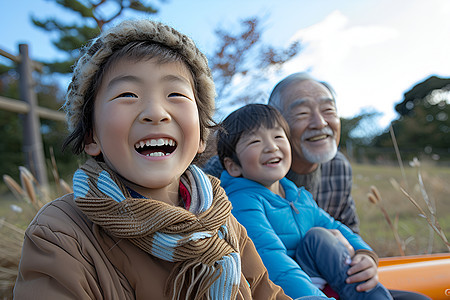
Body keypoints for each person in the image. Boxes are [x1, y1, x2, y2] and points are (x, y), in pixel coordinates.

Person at [13, 19, 301, 300]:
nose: (155, 111)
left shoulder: (222, 218)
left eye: (175, 94)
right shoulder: (60, 233)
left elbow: (266, 290)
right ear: (91, 136)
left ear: (201, 135)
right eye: (127, 94)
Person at [217, 103, 392, 300]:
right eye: (255, 141)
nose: (272, 146)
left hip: (326, 284)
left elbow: (334, 225)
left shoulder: (297, 196)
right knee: (319, 237)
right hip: (293, 294)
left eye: (278, 136)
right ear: (233, 166)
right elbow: (272, 261)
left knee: (320, 236)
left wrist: (364, 253)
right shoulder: (241, 203)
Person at [202, 73, 359, 233]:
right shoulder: (223, 171)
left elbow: (348, 229)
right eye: (302, 113)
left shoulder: (339, 166)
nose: (320, 123)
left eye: (328, 110)